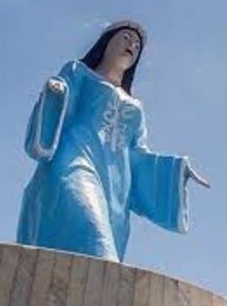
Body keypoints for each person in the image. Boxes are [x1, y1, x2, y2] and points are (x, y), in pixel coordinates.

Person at [17, 20, 209, 261]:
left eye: (137, 45)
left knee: (104, 255)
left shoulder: (135, 108)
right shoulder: (79, 73)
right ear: (107, 42)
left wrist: (175, 170)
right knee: (94, 239)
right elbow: (60, 103)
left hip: (115, 189)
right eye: (126, 37)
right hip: (74, 162)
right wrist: (56, 92)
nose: (132, 45)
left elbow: (138, 155)